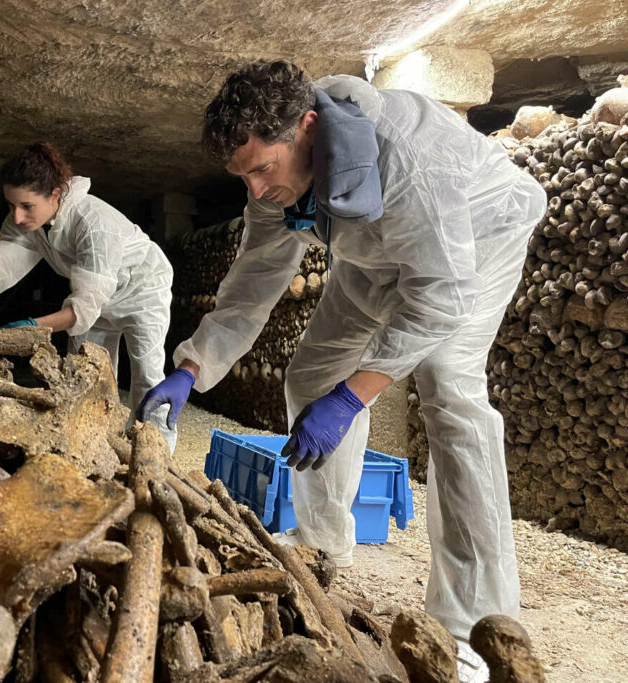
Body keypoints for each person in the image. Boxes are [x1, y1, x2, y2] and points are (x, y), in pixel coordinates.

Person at [137, 61, 546, 682]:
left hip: (476, 239)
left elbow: (437, 295)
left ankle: (471, 628)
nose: (253, 189)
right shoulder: (279, 180)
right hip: (372, 257)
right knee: (310, 373)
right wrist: (192, 367)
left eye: (260, 169)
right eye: (240, 175)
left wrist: (354, 399)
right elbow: (253, 282)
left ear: (307, 128)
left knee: (448, 394)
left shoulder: (407, 159)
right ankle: (324, 543)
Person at [0, 142, 178, 451]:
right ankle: (94, 447)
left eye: (26, 206)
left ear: (55, 195)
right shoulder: (29, 221)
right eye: (11, 205)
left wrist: (31, 328)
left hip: (143, 289)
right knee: (84, 374)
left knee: (147, 374)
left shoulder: (94, 222)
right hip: (96, 296)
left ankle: (157, 454)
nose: (17, 216)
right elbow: (1, 260)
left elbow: (83, 308)